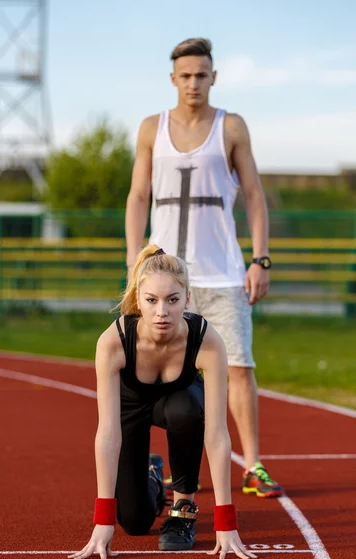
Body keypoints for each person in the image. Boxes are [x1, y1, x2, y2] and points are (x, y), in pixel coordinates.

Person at [125, 38, 283, 499]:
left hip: (223, 274)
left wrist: (260, 259)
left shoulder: (231, 127)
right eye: (185, 75)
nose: (193, 82)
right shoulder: (151, 128)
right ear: (173, 78)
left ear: (213, 77)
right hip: (164, 278)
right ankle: (160, 465)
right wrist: (136, 257)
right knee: (153, 372)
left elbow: (254, 194)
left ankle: (253, 466)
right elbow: (138, 196)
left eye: (201, 74)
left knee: (238, 367)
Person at [68, 246, 257, 559]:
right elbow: (108, 433)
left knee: (185, 410)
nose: (161, 312)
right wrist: (102, 520)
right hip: (131, 410)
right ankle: (153, 477)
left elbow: (217, 434)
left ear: (188, 298)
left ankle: (183, 508)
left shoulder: (206, 340)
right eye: (152, 300)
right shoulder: (113, 342)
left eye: (172, 300)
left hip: (180, 402)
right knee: (135, 522)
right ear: (138, 300)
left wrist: (226, 521)